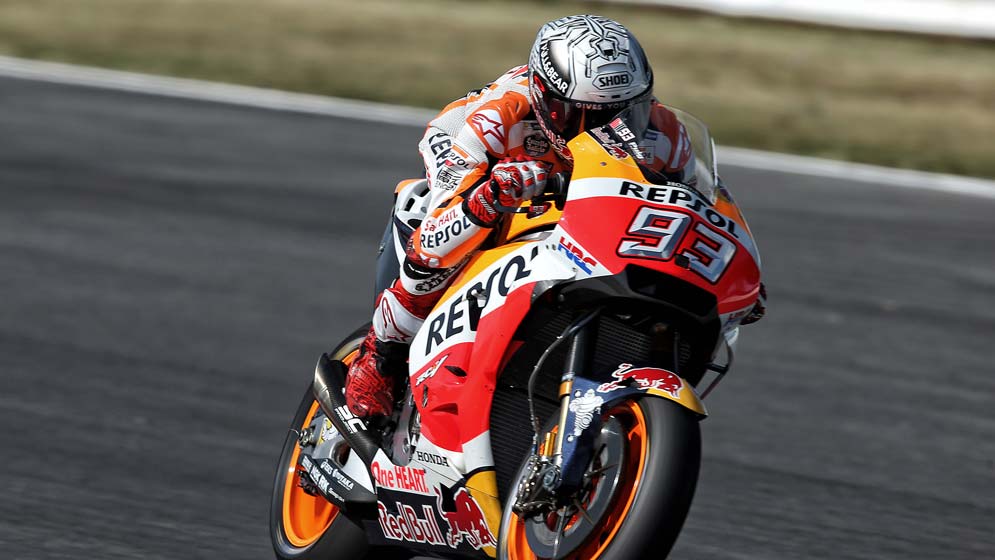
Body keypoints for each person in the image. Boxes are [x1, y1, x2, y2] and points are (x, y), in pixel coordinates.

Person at [344, 14, 764, 419]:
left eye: (626, 112)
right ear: (546, 97)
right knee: (427, 222)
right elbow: (434, 233)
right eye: (587, 116)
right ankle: (381, 355)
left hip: (582, 206)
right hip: (480, 169)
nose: (608, 129)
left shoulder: (666, 134)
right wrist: (488, 196)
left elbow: (704, 204)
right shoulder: (495, 118)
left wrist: (737, 271)